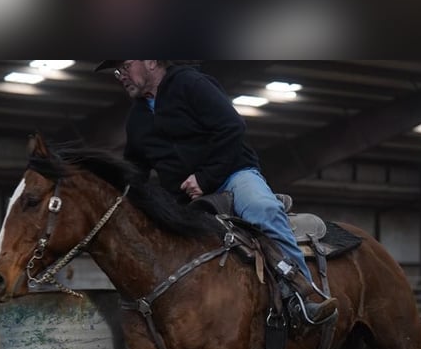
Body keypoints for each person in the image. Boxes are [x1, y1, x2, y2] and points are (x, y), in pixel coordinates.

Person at [95, 60, 337, 325]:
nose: (121, 76)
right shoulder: (136, 119)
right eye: (117, 71)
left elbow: (232, 128)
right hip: (183, 197)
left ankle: (305, 297)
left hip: (232, 176)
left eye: (125, 66)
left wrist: (205, 177)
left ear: (151, 62)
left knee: (262, 209)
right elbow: (136, 169)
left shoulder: (191, 84)